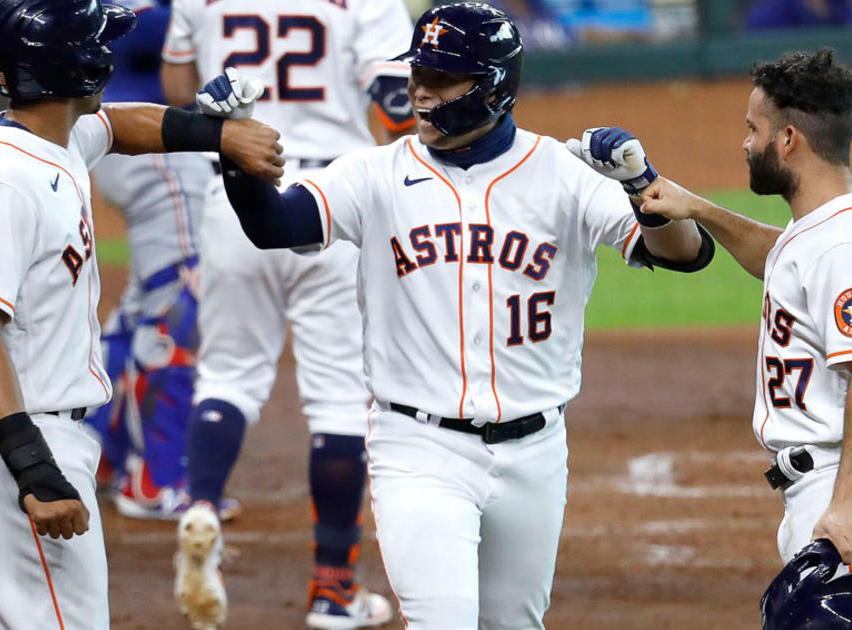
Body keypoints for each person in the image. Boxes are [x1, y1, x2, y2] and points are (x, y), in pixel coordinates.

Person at [206, 3, 714, 628]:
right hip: (418, 447)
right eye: (418, 72)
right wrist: (232, 149)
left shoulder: (563, 173)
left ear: (493, 84)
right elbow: (272, 225)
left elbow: (686, 254)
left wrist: (644, 189)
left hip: (535, 450)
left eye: (442, 78)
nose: (420, 89)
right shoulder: (376, 173)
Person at [0, 0, 281, 628]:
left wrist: (216, 133)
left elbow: (121, 127)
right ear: (77, 65)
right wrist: (33, 468)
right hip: (11, 443)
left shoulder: (53, 137)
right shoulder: (0, 185)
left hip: (14, 434)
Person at [637, 49, 852, 628]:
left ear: (789, 139)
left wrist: (847, 501)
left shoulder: (846, 247)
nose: (745, 143)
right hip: (826, 484)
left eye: (754, 130)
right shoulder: (817, 233)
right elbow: (784, 258)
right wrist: (694, 206)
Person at [161, 0, 416, 627]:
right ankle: (334, 591)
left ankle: (202, 505)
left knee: (226, 377)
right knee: (337, 399)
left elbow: (177, 87)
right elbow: (397, 105)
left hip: (236, 194)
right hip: (334, 199)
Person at [82, 0, 240, 522]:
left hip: (129, 141)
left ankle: (96, 453)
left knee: (145, 304)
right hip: (155, 149)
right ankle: (154, 478)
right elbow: (138, 30)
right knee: (179, 304)